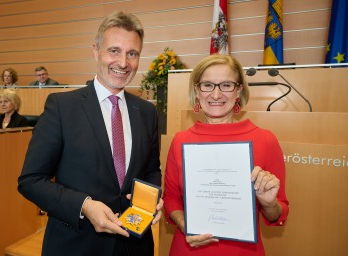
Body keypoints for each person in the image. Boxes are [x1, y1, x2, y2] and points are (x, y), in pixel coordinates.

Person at [18, 11, 163, 256]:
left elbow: (151, 170)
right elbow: (31, 181)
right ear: (96, 51)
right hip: (76, 245)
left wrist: (152, 199)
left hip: (135, 246)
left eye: (132, 53)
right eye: (114, 51)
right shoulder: (61, 107)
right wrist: (84, 206)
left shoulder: (147, 112)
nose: (123, 63)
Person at [163, 54, 289, 255]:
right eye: (207, 85)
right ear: (197, 90)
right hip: (189, 248)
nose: (216, 94)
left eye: (226, 85)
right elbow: (171, 198)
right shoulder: (180, 141)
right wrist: (184, 223)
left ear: (238, 90)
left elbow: (277, 214)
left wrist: (269, 203)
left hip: (242, 251)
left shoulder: (266, 140)